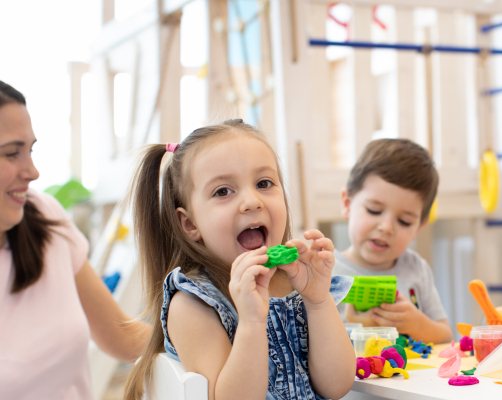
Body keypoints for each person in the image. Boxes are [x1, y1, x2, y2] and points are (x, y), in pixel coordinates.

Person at [123, 120, 354, 399]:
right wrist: (251, 322)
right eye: (223, 191)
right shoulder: (194, 304)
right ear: (189, 223)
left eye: (264, 183)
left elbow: (337, 385)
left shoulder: (297, 286)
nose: (252, 201)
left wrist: (318, 301)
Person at [0, 80, 151, 399]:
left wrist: (215, 334)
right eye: (13, 153)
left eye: (30, 150)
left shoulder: (43, 214)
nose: (32, 171)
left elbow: (122, 336)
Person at [334, 138, 453, 344]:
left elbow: (445, 336)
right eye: (374, 211)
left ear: (419, 227)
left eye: (404, 221)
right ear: (347, 204)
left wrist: (418, 325)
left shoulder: (416, 269)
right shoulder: (325, 271)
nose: (386, 227)